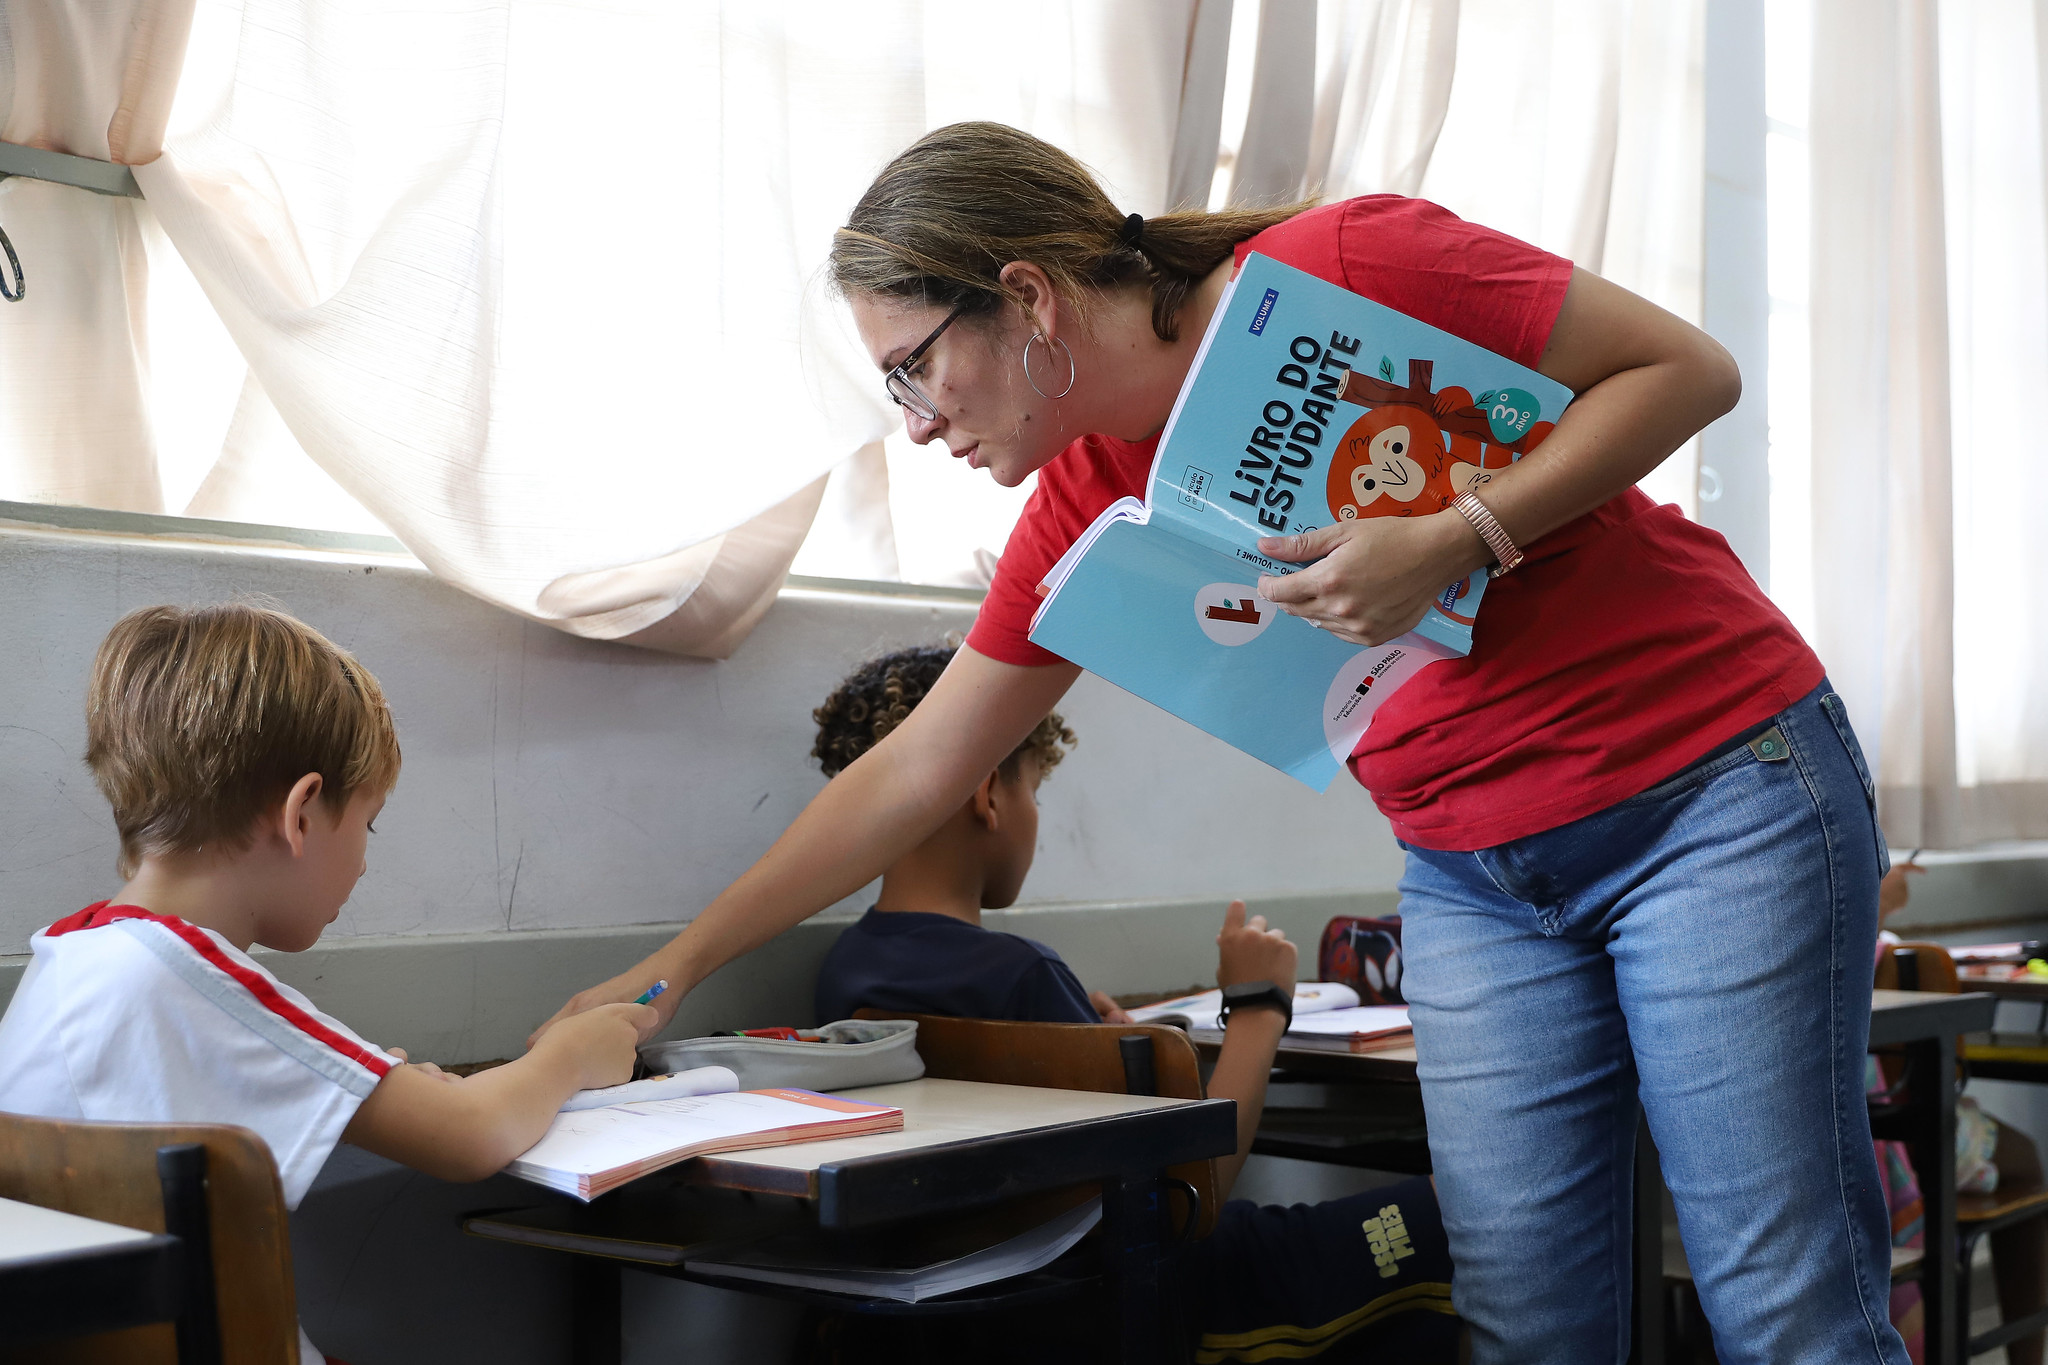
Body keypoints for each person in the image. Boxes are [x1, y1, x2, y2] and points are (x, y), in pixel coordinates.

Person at [539, 121, 1901, 1363]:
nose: (917, 419)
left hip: (1711, 790)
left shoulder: (1345, 264)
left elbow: (1688, 370)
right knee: (1528, 1326)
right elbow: (922, 764)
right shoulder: (1081, 505)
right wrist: (667, 974)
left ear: (1023, 297)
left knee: (1782, 1310)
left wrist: (1458, 535)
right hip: (1481, 878)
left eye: (915, 367)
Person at [0, 604, 651, 1365]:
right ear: (302, 812)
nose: (367, 863)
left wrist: (379, 1090)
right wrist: (573, 1053)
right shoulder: (196, 977)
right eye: (367, 825)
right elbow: (474, 1134)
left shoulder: (71, 957)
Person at [809, 644, 1456, 1363]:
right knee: (1463, 1211)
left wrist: (1105, 1048)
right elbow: (1196, 1191)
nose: (1033, 813)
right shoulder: (1022, 974)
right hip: (1151, 1295)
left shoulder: (845, 970)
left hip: (989, 1312)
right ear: (987, 794)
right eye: (1033, 789)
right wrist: (1259, 1004)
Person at [1870, 859, 2047, 1365]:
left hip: (1867, 1123)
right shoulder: (1879, 948)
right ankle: (2027, 1355)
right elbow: (1945, 1081)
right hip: (1904, 1133)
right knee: (2027, 1156)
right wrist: (1886, 895)